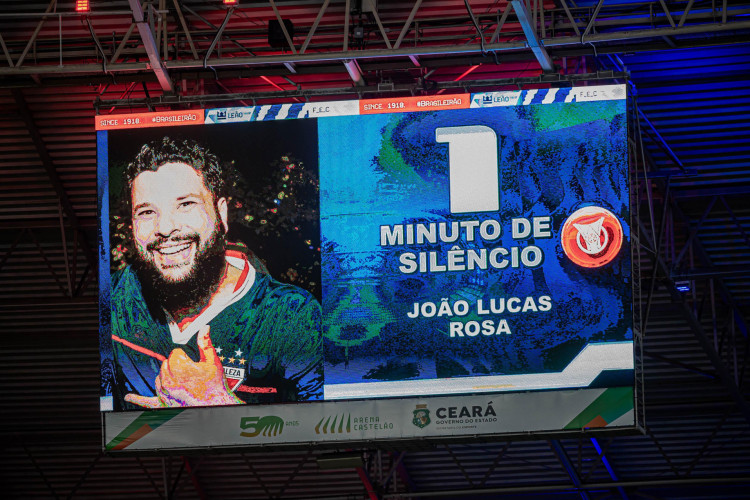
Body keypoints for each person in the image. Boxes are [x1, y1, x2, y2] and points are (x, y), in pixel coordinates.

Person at [109, 137, 323, 410]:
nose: (164, 227)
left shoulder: (289, 317)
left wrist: (219, 405)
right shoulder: (115, 300)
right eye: (147, 211)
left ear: (220, 213)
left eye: (185, 204)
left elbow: (332, 427)